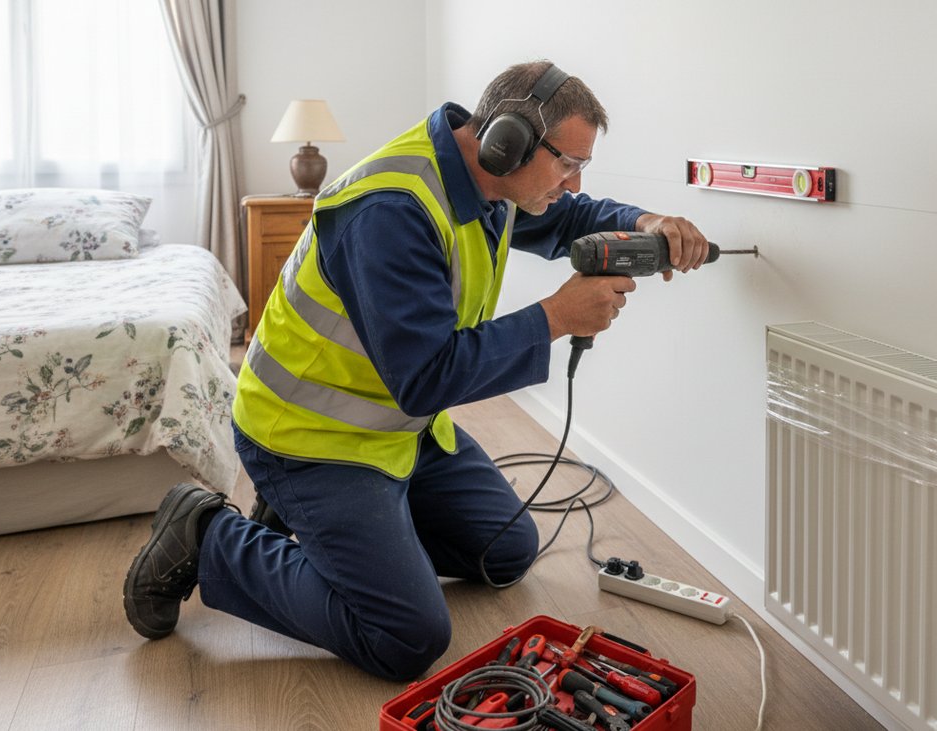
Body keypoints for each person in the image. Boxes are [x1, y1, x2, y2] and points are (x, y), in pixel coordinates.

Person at [122, 60, 710, 680]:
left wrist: (645, 222)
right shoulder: (391, 211)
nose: (573, 181)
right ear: (508, 141)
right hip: (308, 437)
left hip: (397, 431)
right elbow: (426, 376)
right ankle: (208, 532)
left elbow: (569, 217)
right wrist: (556, 318)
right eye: (568, 163)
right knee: (404, 636)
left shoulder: (489, 179)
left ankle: (334, 531)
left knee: (504, 553)